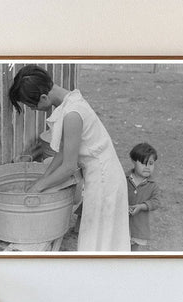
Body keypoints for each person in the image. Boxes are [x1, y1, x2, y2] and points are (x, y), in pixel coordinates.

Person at [9, 65, 130, 251]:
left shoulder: (72, 114)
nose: (33, 110)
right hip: (102, 175)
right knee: (100, 239)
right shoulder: (70, 100)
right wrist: (41, 180)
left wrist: (38, 187)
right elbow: (63, 151)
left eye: (31, 106)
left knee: (99, 242)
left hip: (105, 181)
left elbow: (68, 166)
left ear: (43, 98)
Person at [127, 142, 160, 251]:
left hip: (139, 226)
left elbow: (156, 201)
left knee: (132, 251)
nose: (147, 167)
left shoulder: (153, 184)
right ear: (133, 161)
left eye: (150, 163)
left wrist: (142, 206)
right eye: (143, 163)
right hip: (121, 224)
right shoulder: (124, 179)